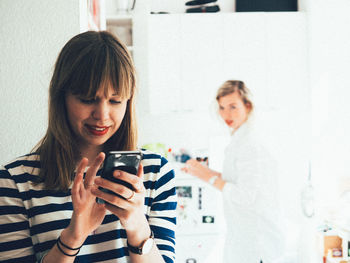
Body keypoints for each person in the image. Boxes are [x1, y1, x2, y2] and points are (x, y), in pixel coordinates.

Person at [0, 31, 176, 263]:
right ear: (61, 97)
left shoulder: (155, 173)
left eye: (115, 101)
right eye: (87, 99)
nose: (102, 115)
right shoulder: (15, 181)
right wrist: (74, 236)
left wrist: (136, 225)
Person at [182, 80, 285, 263]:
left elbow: (245, 196)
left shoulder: (250, 143)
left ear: (248, 106)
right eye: (221, 107)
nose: (225, 114)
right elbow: (235, 181)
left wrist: (207, 176)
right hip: (243, 237)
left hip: (258, 241)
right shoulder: (239, 138)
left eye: (232, 107)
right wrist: (202, 172)